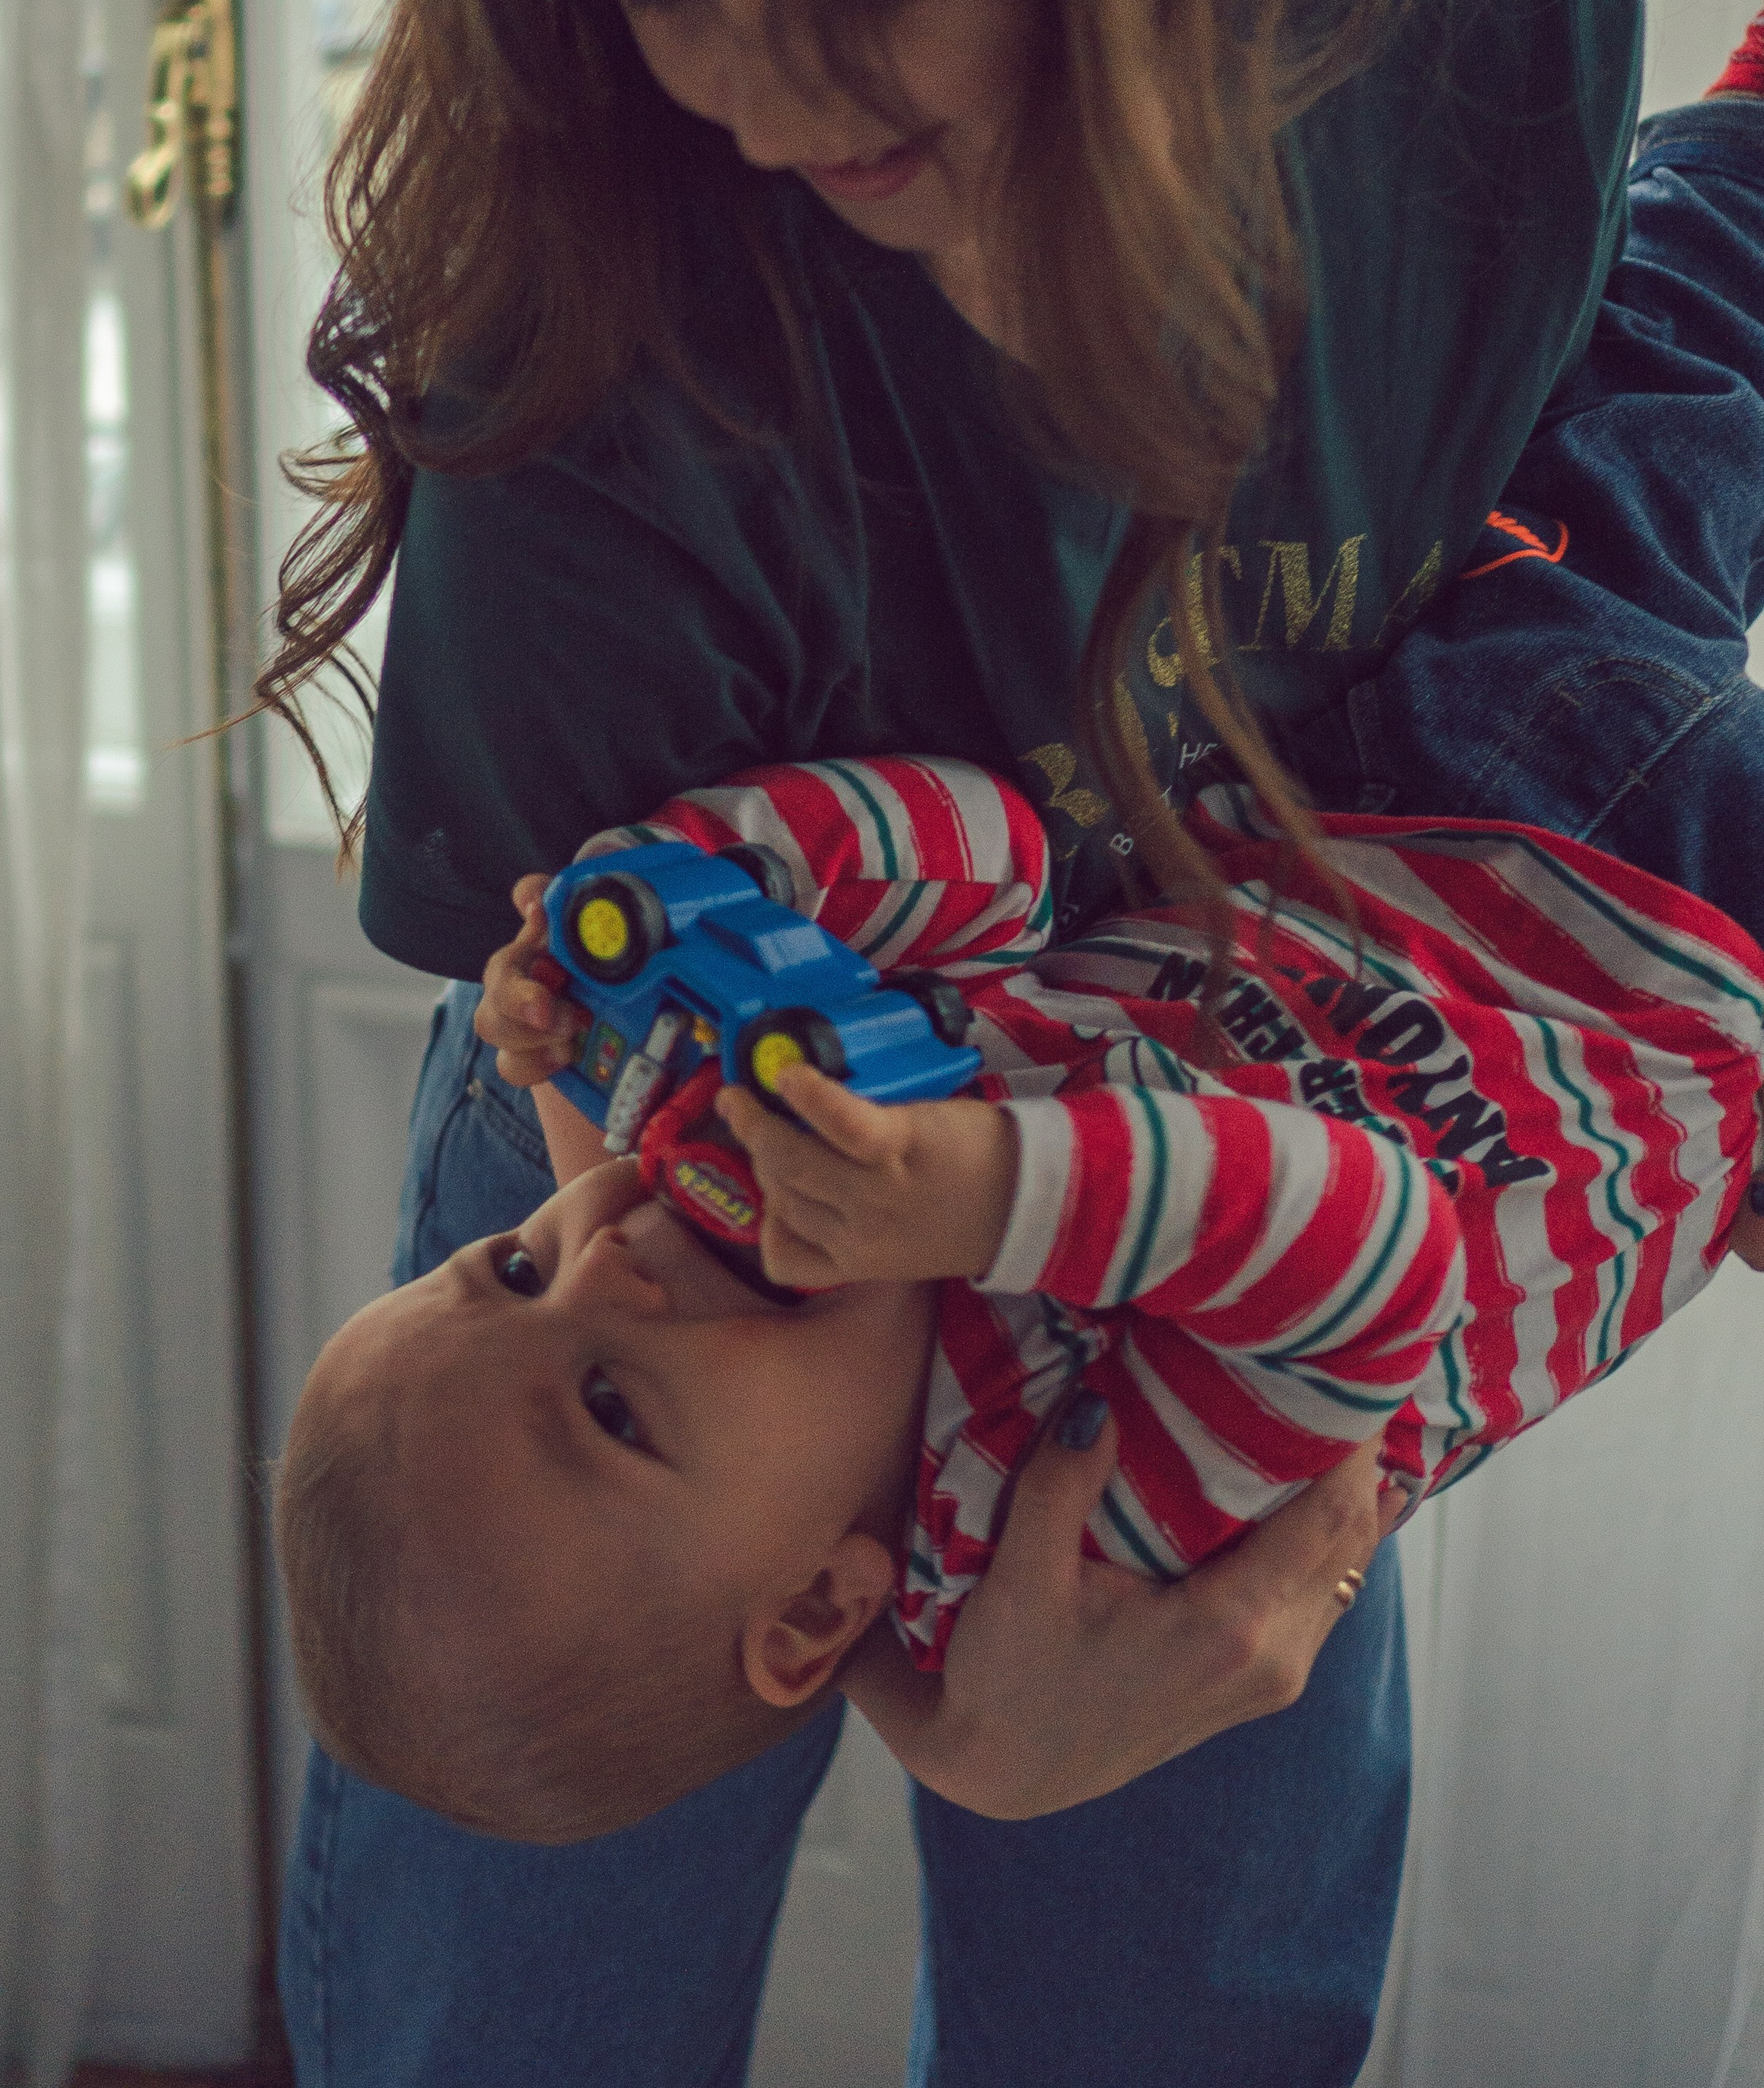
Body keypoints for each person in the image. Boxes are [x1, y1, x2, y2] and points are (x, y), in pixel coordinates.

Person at [267, 0, 1661, 2086]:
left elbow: (1502, 720)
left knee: (1186, 2011)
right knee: (512, 2009)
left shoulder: (1497, 32)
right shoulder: (597, 302)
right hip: (668, 1166)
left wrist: (1244, 1476)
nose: (770, 99)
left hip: (1221, 1171)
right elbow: (609, 1107)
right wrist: (932, 1672)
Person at [276, 727, 1762, 1846]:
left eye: (514, 1266)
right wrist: (986, 1196)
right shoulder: (1082, 1525)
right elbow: (1378, 1250)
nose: (600, 1251)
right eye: (608, 1404)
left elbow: (1001, 858)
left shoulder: (785, 1138)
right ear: (819, 1608)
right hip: (1677, 938)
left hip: (1413, 760)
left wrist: (703, 888)